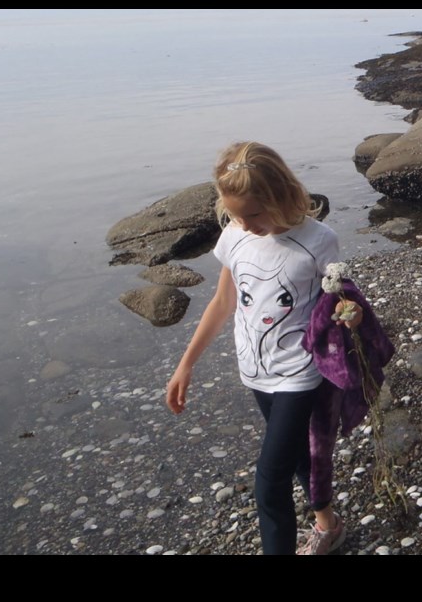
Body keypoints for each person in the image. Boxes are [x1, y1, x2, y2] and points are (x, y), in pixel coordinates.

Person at [165, 141, 361, 555]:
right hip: (254, 368)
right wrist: (185, 366)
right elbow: (222, 303)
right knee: (294, 457)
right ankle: (329, 524)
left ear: (280, 195)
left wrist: (351, 314)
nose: (244, 222)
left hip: (299, 372)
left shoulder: (318, 239)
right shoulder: (235, 235)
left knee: (269, 480)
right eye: (235, 214)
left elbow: (341, 298)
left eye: (253, 213)